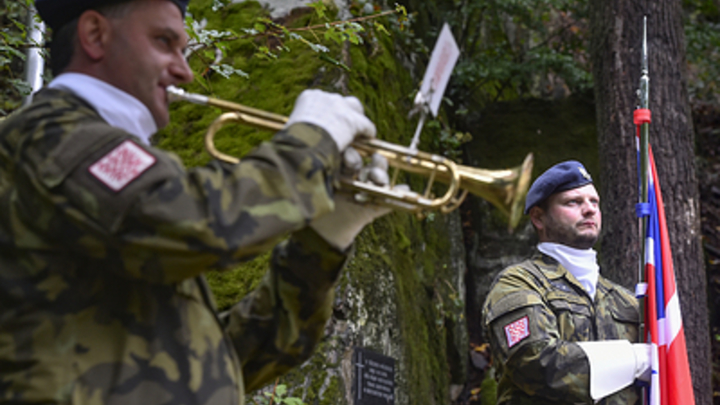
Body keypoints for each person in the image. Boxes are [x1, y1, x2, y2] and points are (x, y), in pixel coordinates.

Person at [0, 0, 391, 403]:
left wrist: (329, 237)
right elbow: (202, 226)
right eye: (164, 42)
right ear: (96, 35)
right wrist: (310, 142)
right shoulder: (49, 134)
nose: (184, 71)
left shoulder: (114, 188)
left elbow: (228, 361)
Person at [482, 160, 651, 405]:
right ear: (538, 218)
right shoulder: (518, 284)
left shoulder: (624, 300)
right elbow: (535, 363)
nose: (589, 209)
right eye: (574, 202)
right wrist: (634, 359)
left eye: (594, 202)